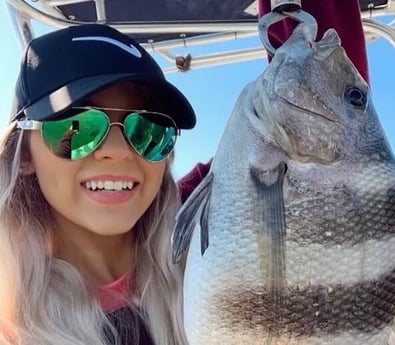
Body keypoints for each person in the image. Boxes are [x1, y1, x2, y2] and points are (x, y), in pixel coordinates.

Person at [0, 1, 369, 345]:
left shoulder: (210, 220)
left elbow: (331, 145)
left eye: (149, 130)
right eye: (77, 128)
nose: (117, 151)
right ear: (25, 152)